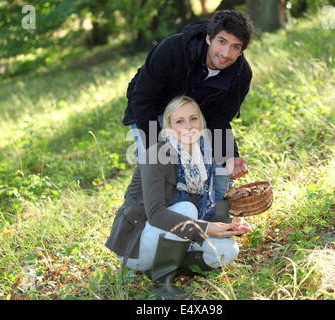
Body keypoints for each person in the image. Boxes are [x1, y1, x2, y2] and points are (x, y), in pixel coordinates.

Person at [106, 96, 252, 299]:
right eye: (180, 121)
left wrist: (234, 221)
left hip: (175, 233)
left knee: (229, 250)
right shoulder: (156, 155)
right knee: (186, 209)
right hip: (139, 242)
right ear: (168, 126)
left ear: (201, 121)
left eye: (193, 118)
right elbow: (156, 215)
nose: (189, 126)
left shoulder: (205, 153)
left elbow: (212, 204)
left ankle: (168, 265)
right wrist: (207, 228)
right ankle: (161, 283)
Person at [123, 10, 254, 200]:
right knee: (156, 172)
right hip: (153, 111)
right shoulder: (174, 49)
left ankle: (216, 222)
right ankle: (142, 221)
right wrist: (158, 148)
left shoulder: (240, 75)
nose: (226, 53)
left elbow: (219, 119)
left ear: (241, 50)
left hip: (197, 118)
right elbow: (143, 99)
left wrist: (229, 157)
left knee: (222, 170)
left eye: (235, 47)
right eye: (222, 42)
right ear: (209, 38)